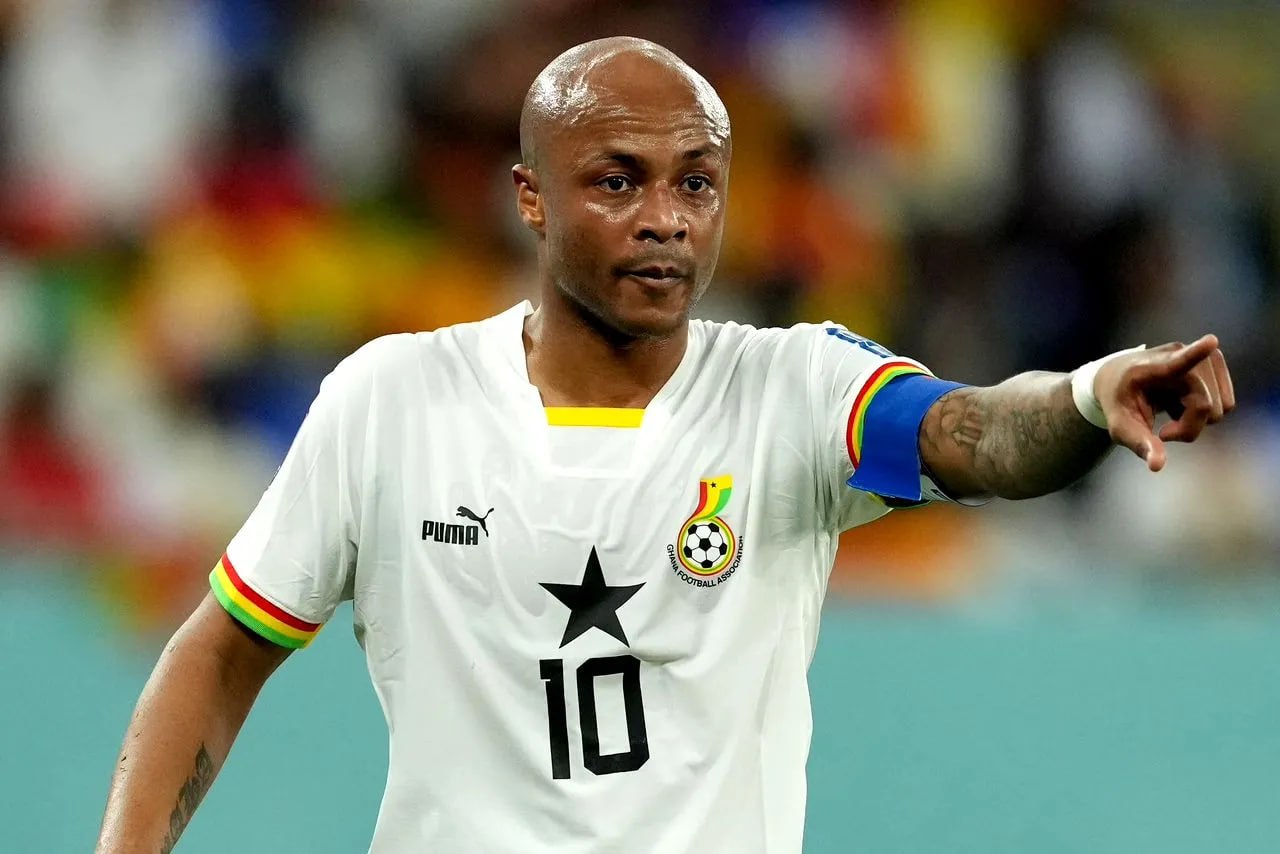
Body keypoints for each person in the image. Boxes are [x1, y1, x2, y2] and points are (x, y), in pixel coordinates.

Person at [96, 37, 1235, 854]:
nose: (666, 218)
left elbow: (974, 433)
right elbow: (223, 651)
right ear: (530, 198)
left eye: (696, 183)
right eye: (617, 181)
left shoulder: (794, 390)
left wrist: (1089, 395)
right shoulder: (393, 400)